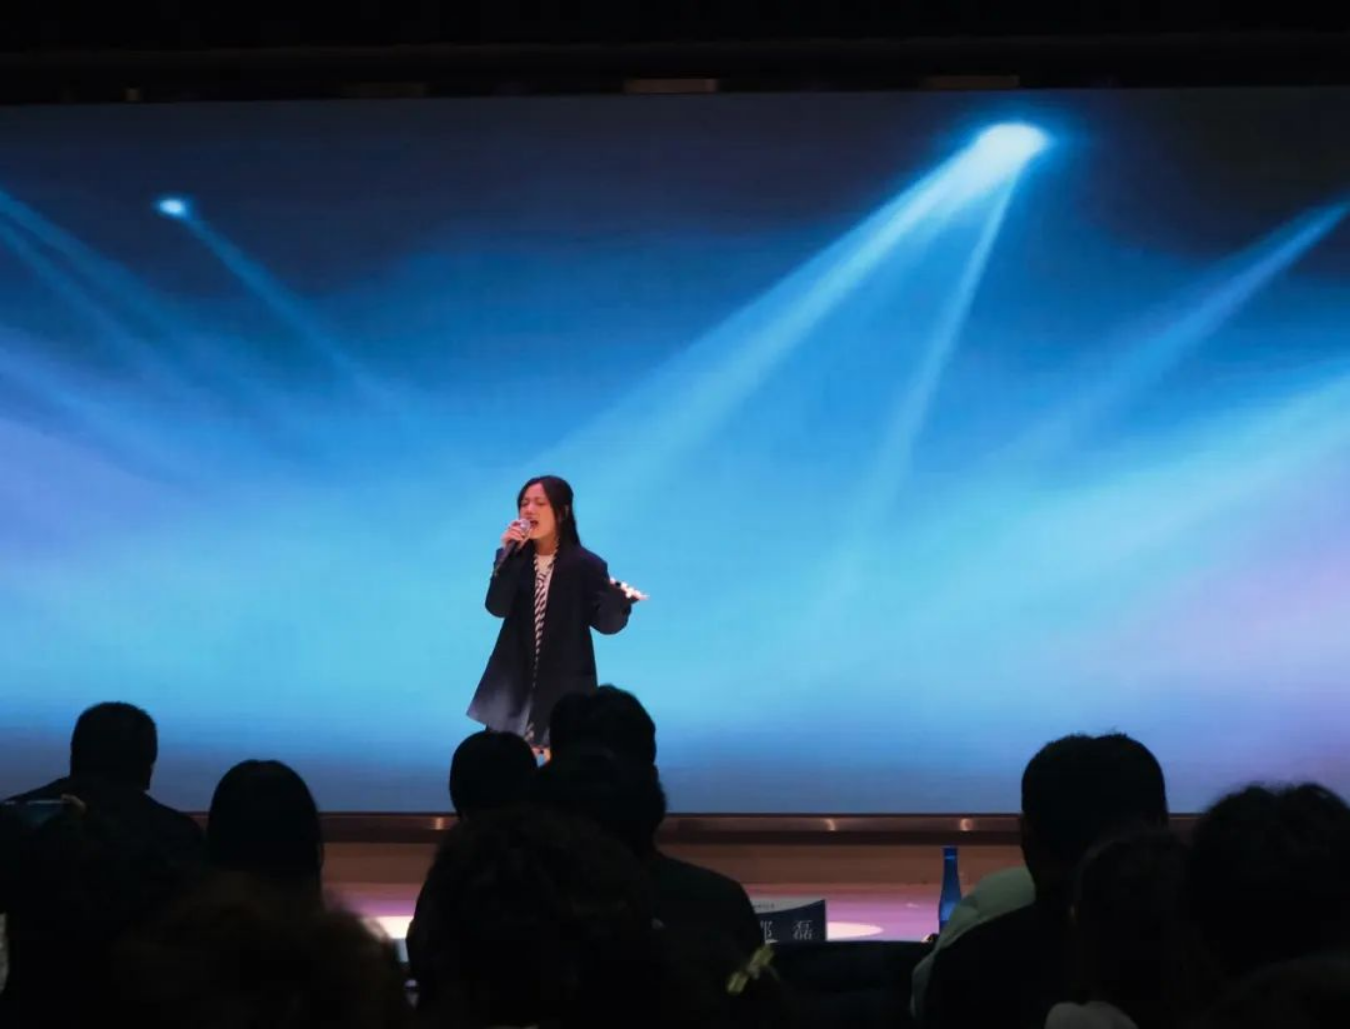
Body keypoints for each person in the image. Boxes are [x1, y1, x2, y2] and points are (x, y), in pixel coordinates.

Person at [466, 475, 644, 749]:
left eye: (540, 503)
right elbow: (497, 607)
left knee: (564, 760)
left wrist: (618, 601)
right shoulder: (514, 559)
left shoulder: (587, 565)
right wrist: (507, 556)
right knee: (506, 762)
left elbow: (606, 626)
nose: (529, 510)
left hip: (565, 686)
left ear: (562, 512)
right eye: (524, 503)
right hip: (513, 682)